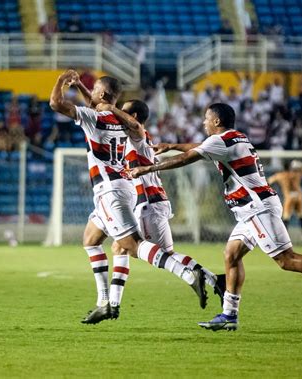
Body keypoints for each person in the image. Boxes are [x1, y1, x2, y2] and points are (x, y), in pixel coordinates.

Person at [129, 103, 302, 331]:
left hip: (257, 208)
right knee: (231, 255)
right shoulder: (235, 137)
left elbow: (188, 158)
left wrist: (148, 169)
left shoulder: (221, 141)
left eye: (206, 118)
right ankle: (229, 315)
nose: (203, 122)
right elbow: (200, 146)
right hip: (250, 210)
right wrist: (173, 144)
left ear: (216, 121)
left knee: (286, 260)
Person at [50, 70, 207, 324]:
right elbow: (103, 107)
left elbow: (56, 103)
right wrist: (80, 85)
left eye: (96, 90)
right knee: (90, 240)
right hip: (119, 187)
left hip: (110, 190)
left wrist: (61, 81)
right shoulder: (124, 124)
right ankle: (104, 302)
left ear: (102, 95)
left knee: (132, 246)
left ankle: (189, 276)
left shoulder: (93, 118)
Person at [100, 99, 226, 304]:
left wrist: (109, 107)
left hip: (148, 202)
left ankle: (111, 304)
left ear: (134, 118)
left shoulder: (136, 135)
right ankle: (215, 281)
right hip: (153, 201)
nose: (118, 114)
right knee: (151, 251)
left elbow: (134, 127)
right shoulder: (134, 138)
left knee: (128, 247)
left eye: (123, 112)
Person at [268, 160, 302, 241]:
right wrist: (301, 165)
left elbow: (269, 181)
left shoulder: (280, 175)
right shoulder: (296, 174)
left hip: (289, 197)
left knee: (286, 217)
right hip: (298, 196)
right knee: (301, 215)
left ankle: (284, 237)